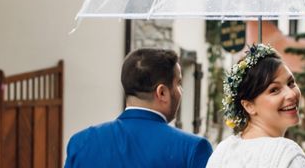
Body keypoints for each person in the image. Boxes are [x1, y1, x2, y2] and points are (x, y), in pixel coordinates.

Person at [64, 48, 213, 168]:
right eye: (179, 83)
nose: (182, 90)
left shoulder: (81, 142)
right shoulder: (192, 149)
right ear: (162, 92)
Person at [206, 44, 305, 168]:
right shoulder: (287, 154)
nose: (291, 94)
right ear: (248, 106)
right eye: (274, 90)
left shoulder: (222, 152)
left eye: (291, 83)